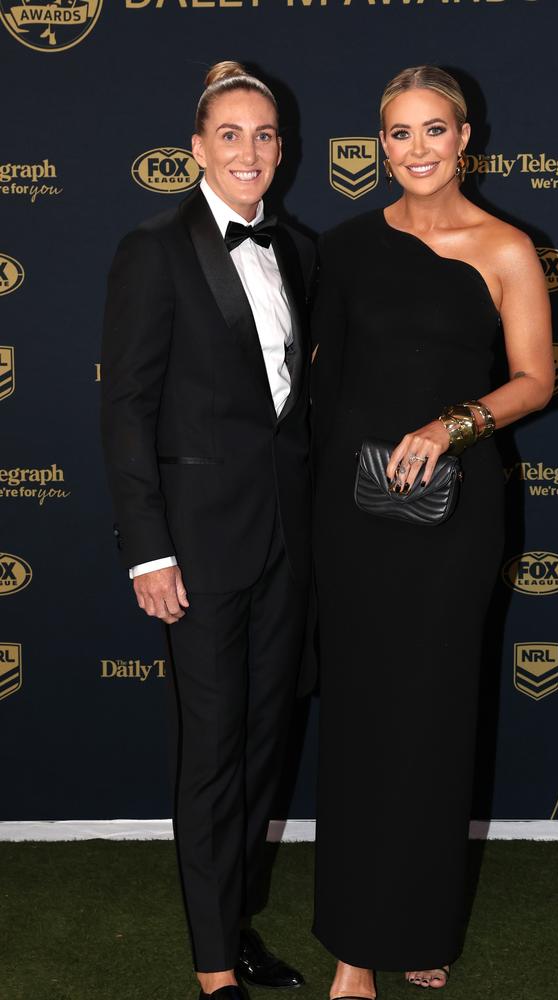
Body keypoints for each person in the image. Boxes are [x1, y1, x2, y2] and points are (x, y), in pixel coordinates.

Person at [311, 66, 553, 996]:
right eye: (399, 134)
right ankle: (353, 951)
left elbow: (535, 379)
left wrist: (452, 424)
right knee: (367, 720)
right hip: (354, 517)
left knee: (436, 719)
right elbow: (315, 383)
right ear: (381, 145)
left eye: (433, 130)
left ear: (464, 138)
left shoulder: (506, 248)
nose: (416, 149)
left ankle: (418, 922)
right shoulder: (342, 247)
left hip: (454, 518)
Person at [101, 61, 315, 1000]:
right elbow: (127, 410)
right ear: (197, 149)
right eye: (230, 134)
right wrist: (148, 548)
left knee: (265, 748)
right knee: (211, 752)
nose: (249, 151)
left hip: (286, 547)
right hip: (193, 552)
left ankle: (239, 921)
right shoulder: (153, 247)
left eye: (264, 135)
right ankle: (213, 968)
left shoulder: (298, 247)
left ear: (282, 149)